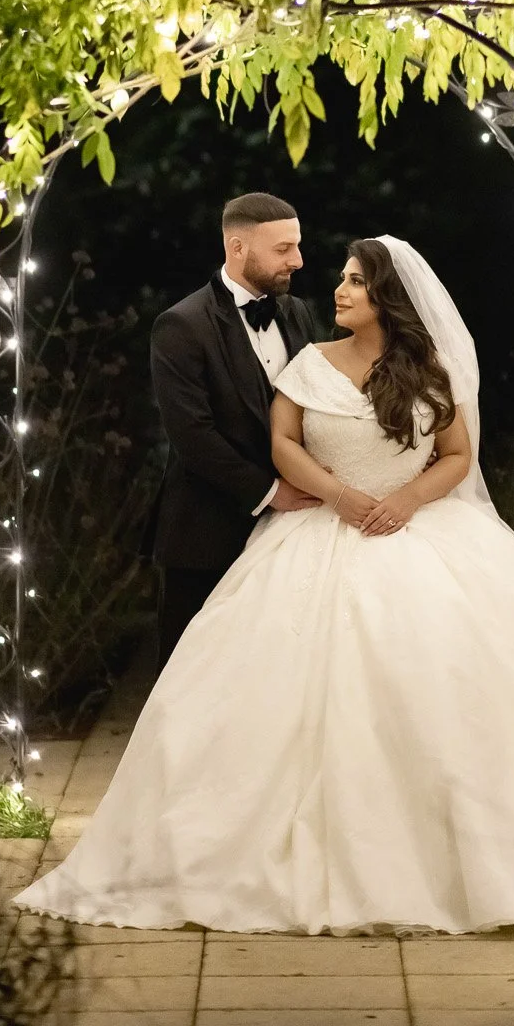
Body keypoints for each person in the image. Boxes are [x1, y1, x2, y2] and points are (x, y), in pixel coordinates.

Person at [16, 234, 514, 934]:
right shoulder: (309, 361)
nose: (339, 287)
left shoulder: (429, 370)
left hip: (418, 533)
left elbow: (456, 454)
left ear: (387, 296)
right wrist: (339, 496)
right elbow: (283, 444)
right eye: (344, 278)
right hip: (317, 534)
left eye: (356, 281)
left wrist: (408, 500)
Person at [146, 192, 319, 671]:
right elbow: (192, 436)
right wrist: (270, 492)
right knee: (190, 677)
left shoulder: (298, 313)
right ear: (237, 248)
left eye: (297, 246)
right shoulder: (181, 325)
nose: (298, 261)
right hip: (205, 532)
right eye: (283, 249)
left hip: (292, 534)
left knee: (271, 675)